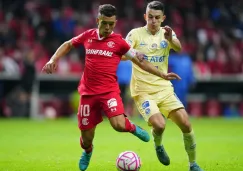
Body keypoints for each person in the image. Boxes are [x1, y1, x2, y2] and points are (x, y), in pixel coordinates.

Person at [42, 4, 180, 171]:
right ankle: (87, 151)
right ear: (97, 20)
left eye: (111, 24)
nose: (108, 28)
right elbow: (68, 44)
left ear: (115, 22)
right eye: (104, 23)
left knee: (119, 125)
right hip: (88, 93)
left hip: (109, 92)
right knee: (86, 138)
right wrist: (52, 59)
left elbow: (140, 62)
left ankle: (133, 128)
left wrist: (162, 75)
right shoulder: (88, 36)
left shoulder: (119, 42)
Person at [125, 1, 203, 171]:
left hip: (164, 88)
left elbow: (179, 48)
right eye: (150, 17)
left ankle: (193, 164)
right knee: (159, 125)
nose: (153, 21)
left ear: (163, 18)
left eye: (157, 18)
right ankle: (158, 145)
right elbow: (123, 55)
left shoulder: (167, 33)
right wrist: (133, 53)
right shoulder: (135, 34)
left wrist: (170, 40)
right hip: (143, 91)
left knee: (186, 124)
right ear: (145, 16)